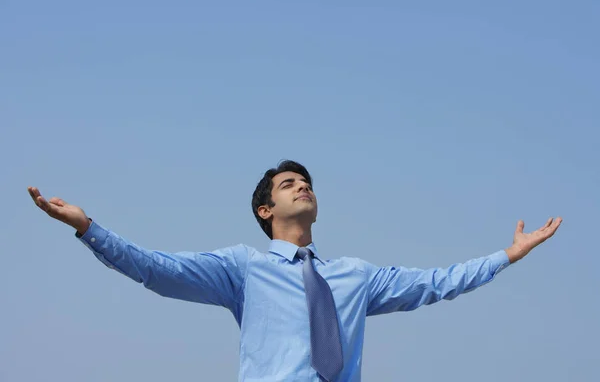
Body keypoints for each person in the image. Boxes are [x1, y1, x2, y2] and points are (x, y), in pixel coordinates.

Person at [28, 160, 562, 382]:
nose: (303, 186)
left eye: (307, 182)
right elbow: (158, 270)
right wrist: (88, 228)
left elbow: (433, 284)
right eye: (289, 184)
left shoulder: (356, 276)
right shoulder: (244, 269)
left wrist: (506, 256)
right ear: (266, 210)